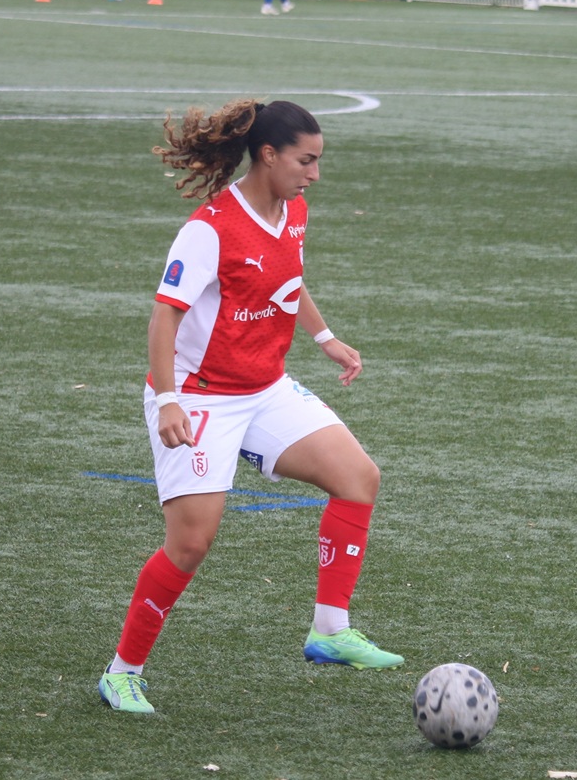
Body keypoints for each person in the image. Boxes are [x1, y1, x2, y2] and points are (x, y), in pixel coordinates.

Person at [96, 99, 403, 715]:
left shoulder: (292, 210)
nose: (314, 173)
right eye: (305, 160)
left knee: (357, 478)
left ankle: (329, 630)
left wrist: (325, 339)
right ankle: (121, 672)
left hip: (263, 388)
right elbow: (164, 317)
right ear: (268, 155)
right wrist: (168, 400)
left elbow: (288, 276)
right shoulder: (209, 229)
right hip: (199, 396)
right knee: (191, 544)